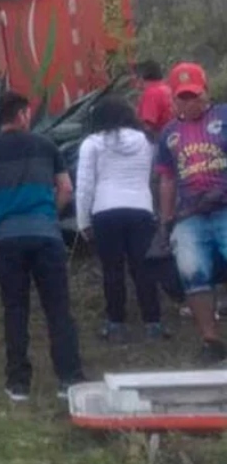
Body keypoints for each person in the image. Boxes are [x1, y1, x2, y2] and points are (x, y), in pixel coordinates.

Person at [0, 91, 85, 401]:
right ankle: (69, 379)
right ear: (22, 115)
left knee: (15, 309)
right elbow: (66, 188)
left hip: (8, 238)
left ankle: (18, 383)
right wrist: (49, 215)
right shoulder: (46, 146)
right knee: (57, 308)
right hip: (46, 235)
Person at [75, 96, 164, 341]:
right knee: (143, 268)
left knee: (112, 269)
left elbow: (84, 187)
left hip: (105, 210)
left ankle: (116, 323)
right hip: (140, 209)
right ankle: (153, 322)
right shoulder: (146, 142)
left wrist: (83, 222)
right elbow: (152, 178)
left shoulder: (92, 144)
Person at [156, 62, 227, 364]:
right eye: (182, 97)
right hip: (190, 215)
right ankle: (211, 340)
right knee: (191, 271)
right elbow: (167, 178)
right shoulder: (169, 133)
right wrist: (165, 220)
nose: (189, 102)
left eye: (194, 95)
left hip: (224, 206)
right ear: (173, 99)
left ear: (205, 93)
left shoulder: (223, 117)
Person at [137, 60, 173, 141]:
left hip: (160, 141)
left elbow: (148, 125)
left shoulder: (151, 93)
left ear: (141, 77)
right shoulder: (167, 89)